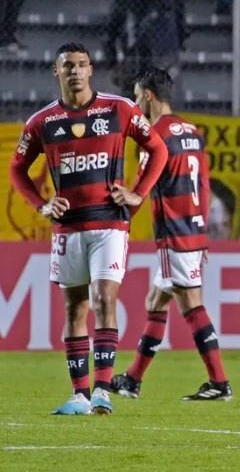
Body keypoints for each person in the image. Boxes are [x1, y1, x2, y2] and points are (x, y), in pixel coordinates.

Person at [8, 43, 168, 415]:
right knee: (74, 308)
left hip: (110, 223)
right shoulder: (43, 121)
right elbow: (17, 169)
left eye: (81, 65)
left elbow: (157, 148)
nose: (75, 71)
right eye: (67, 66)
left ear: (91, 69)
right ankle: (79, 395)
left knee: (104, 299)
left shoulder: (118, 109)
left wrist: (138, 194)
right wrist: (41, 204)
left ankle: (103, 390)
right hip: (67, 227)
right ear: (56, 71)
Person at [110, 68, 232, 401]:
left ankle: (220, 383)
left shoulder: (154, 135)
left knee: (192, 304)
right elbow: (204, 184)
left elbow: (142, 188)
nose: (135, 103)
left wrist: (121, 214)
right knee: (156, 301)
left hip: (174, 232)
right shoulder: (191, 131)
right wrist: (202, 230)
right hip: (193, 228)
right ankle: (133, 379)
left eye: (137, 96)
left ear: (148, 95)